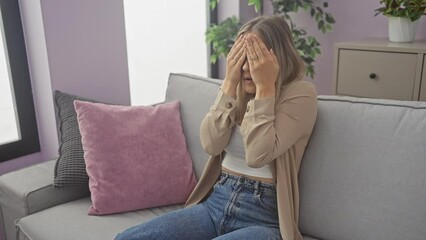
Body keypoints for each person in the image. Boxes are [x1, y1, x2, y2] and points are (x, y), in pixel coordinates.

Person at [115, 15, 317, 240]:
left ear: (276, 59)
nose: (246, 68)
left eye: (255, 59)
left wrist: (265, 88)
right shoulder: (236, 90)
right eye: (241, 58)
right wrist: (229, 83)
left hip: (264, 218)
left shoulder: (301, 94)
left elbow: (258, 155)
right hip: (216, 202)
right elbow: (211, 144)